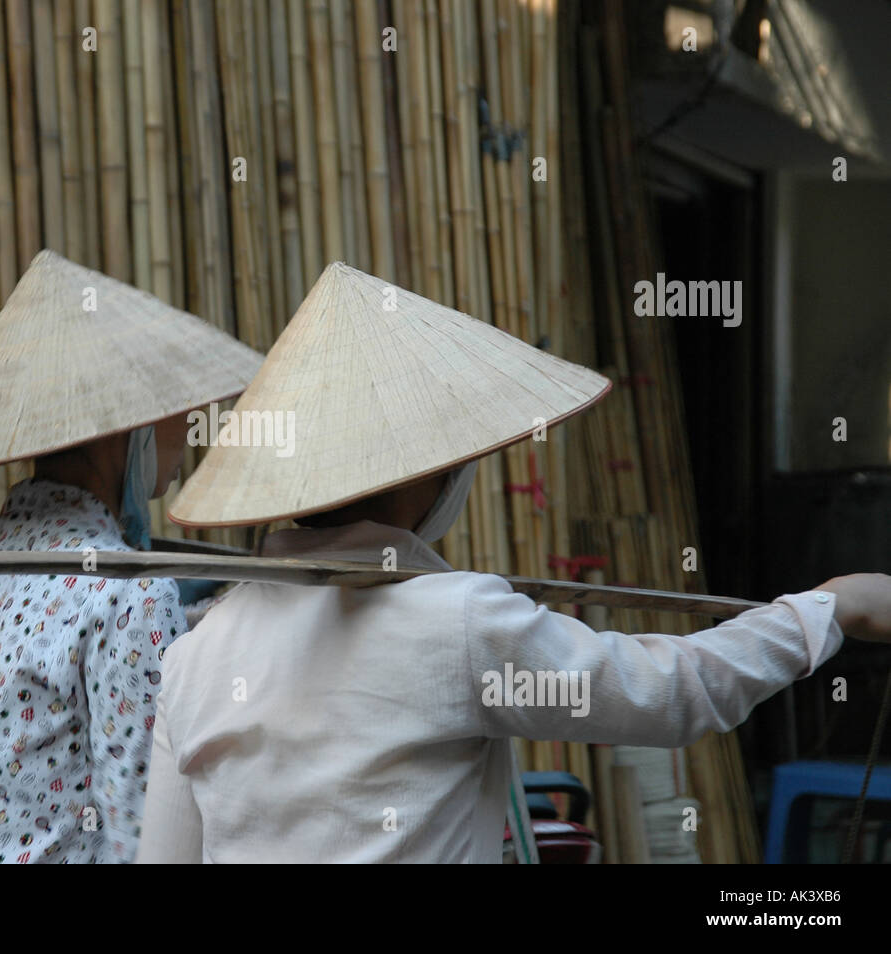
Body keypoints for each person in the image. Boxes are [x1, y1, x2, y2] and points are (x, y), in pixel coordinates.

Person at [135, 261, 891, 864]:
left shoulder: (201, 650)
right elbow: (671, 693)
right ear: (428, 475)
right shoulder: (456, 620)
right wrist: (832, 606)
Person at [0, 249, 262, 863]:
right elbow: (145, 835)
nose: (190, 421)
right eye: (174, 400)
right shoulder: (125, 593)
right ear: (130, 425)